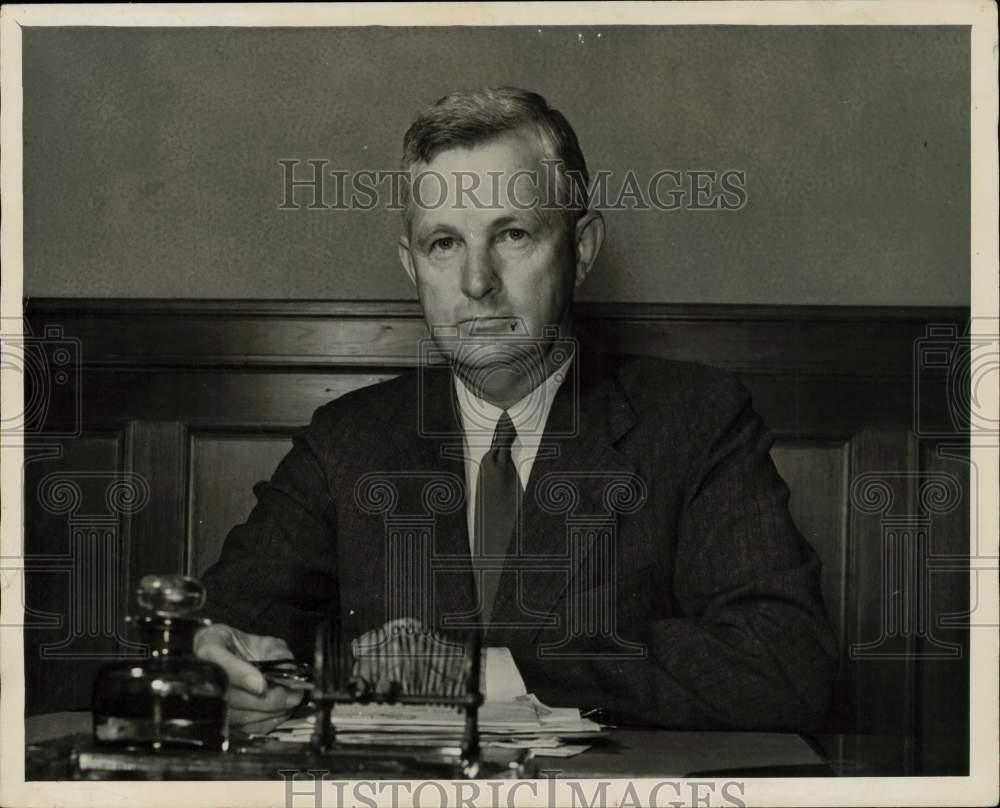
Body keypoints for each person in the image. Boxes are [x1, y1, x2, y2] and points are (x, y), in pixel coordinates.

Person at [195, 87, 837, 733]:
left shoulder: (697, 422)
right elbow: (225, 624)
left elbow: (785, 663)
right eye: (443, 244)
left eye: (513, 233)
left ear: (581, 250)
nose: (477, 282)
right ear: (410, 265)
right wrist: (226, 666)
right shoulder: (347, 442)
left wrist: (483, 674)